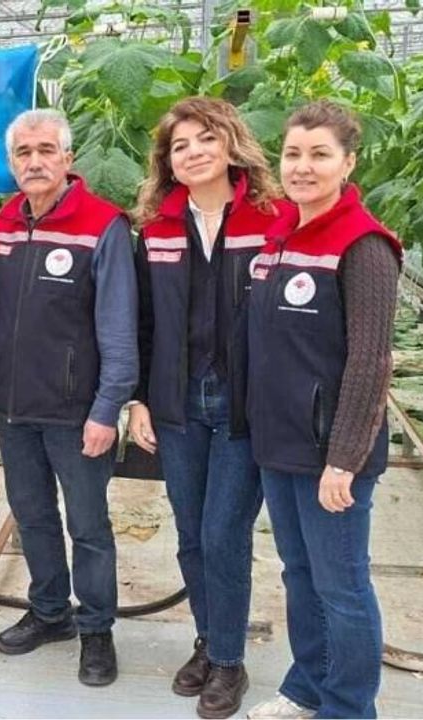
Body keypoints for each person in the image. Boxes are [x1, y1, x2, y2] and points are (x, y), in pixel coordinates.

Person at [125, 97, 288, 718]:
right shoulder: (157, 230)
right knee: (191, 534)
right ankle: (209, 641)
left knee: (224, 533)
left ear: (231, 145)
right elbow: (143, 324)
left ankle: (229, 661)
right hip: (178, 403)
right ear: (167, 161)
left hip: (246, 406)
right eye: (179, 145)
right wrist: (139, 400)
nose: (192, 152)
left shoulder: (272, 221)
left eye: (205, 139)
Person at [244, 101, 401, 720]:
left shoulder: (363, 245)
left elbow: (370, 362)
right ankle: (308, 687)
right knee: (299, 573)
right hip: (279, 441)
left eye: (319, 155)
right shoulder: (279, 236)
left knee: (342, 585)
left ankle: (349, 707)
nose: (302, 167)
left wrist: (345, 459)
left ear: (348, 163)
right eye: (292, 154)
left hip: (331, 453)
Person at [0, 108, 137, 687]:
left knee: (88, 526)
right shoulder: (5, 223)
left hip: (76, 413)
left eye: (46, 150)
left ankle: (96, 629)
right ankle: (49, 612)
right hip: (14, 407)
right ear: (12, 162)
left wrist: (107, 409)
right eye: (24, 152)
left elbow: (119, 328)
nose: (35, 161)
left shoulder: (102, 225)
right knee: (33, 516)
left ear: (68, 158)